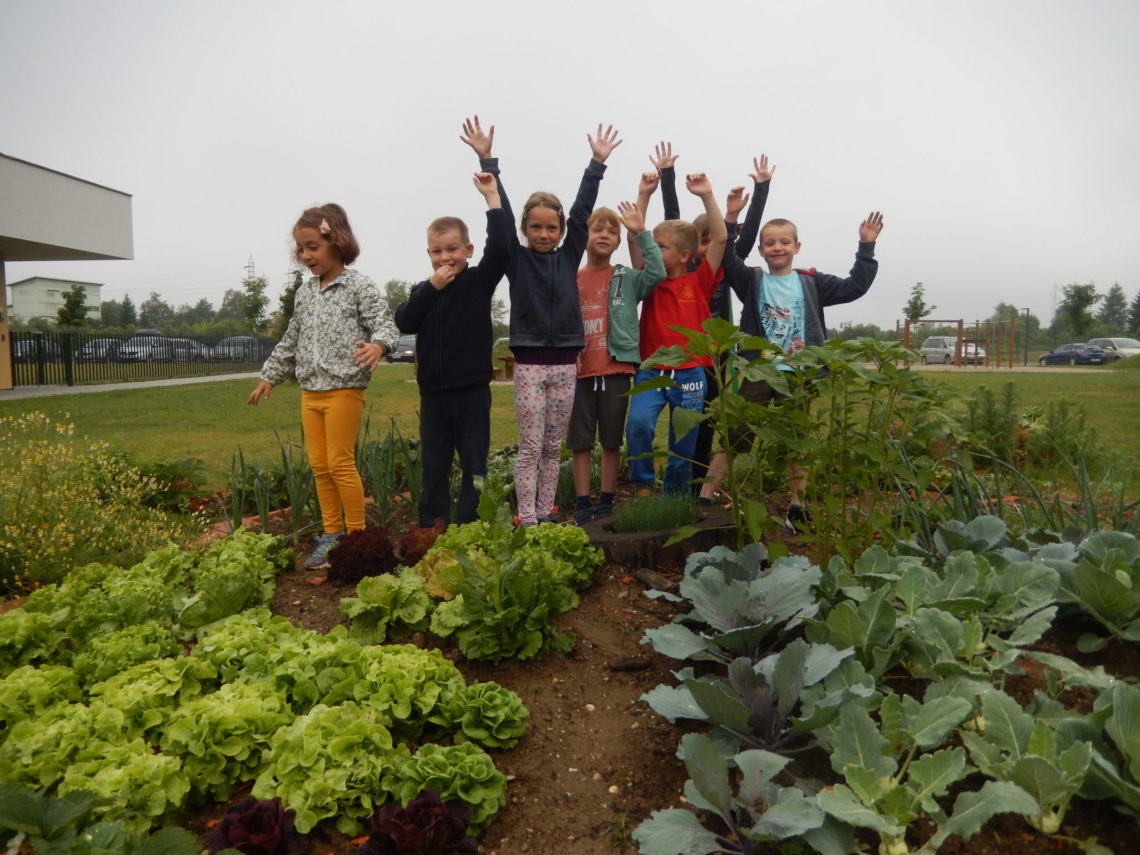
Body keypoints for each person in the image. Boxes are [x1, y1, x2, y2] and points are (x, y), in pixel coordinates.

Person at [460, 115, 621, 527]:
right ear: (525, 229)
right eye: (536, 227)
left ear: (563, 231)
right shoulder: (516, 258)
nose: (544, 234)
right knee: (531, 446)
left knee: (554, 447)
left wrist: (596, 165)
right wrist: (489, 164)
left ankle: (548, 511)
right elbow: (501, 227)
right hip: (531, 364)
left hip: (567, 364)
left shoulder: (569, 257)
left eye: (552, 227)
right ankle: (526, 515)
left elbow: (583, 210)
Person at [248, 204, 399, 567]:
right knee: (319, 465)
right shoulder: (305, 293)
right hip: (310, 392)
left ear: (337, 241)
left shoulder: (357, 286)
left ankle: (358, 537)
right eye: (301, 249)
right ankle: (332, 535)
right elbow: (291, 338)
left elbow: (386, 324)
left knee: (339, 463)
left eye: (313, 246)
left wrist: (378, 345)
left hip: (344, 390)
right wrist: (270, 374)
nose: (305, 256)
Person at [717, 205, 885, 530]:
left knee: (796, 441)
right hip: (758, 372)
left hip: (799, 374)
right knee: (735, 436)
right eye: (769, 243)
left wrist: (866, 247)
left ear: (797, 246)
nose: (777, 247)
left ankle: (796, 508)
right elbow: (727, 261)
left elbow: (855, 287)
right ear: (761, 250)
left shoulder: (811, 282)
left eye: (784, 241)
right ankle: (707, 497)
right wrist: (731, 223)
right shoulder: (752, 280)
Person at [641, 144, 775, 497]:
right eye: (696, 241)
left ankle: (698, 486)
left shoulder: (718, 267)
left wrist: (759, 191)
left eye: (704, 240)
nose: (702, 247)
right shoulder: (676, 271)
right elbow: (673, 220)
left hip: (714, 357)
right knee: (687, 422)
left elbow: (731, 237)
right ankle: (681, 486)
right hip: (679, 355)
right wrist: (668, 176)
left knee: (706, 422)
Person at [394, 171, 509, 529]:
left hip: (472, 391)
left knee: (474, 462)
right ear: (428, 253)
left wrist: (492, 199)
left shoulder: (478, 281)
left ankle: (472, 524)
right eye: (438, 251)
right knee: (435, 463)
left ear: (468, 251)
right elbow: (404, 321)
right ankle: (433, 525)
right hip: (434, 394)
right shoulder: (423, 290)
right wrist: (431, 288)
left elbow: (503, 247)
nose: (446, 258)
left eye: (453, 250)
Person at [625, 172, 727, 496]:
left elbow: (722, 239)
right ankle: (642, 486)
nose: (653, 252)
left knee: (683, 442)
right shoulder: (648, 279)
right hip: (652, 370)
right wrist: (643, 194)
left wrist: (707, 196)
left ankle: (675, 496)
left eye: (661, 247)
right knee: (639, 425)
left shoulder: (700, 281)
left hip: (691, 371)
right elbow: (634, 240)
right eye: (652, 246)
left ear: (684, 256)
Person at [568, 201, 666, 525]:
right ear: (584, 235)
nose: (605, 235)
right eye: (598, 229)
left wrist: (640, 232)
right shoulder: (573, 277)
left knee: (611, 440)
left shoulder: (626, 277)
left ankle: (606, 499)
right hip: (580, 371)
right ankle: (583, 501)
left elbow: (657, 272)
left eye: (613, 231)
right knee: (581, 442)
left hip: (616, 369)